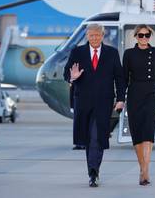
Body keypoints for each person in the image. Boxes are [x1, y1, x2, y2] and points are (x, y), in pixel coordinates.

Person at [63, 23, 125, 187]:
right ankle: (93, 169)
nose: (94, 38)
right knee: (88, 139)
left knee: (97, 137)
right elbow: (66, 74)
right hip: (83, 102)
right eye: (91, 35)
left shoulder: (112, 53)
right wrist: (73, 77)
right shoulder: (77, 52)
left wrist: (120, 98)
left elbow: (119, 78)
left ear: (103, 36)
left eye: (97, 35)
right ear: (87, 36)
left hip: (104, 103)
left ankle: (93, 172)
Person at [122, 24, 155, 186]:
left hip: (151, 94)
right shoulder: (129, 54)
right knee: (137, 133)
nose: (144, 38)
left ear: (150, 36)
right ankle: (142, 167)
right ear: (135, 36)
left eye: (147, 35)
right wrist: (120, 99)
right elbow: (123, 79)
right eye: (141, 35)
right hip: (135, 94)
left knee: (148, 131)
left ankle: (145, 171)